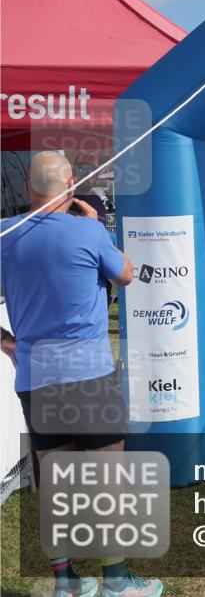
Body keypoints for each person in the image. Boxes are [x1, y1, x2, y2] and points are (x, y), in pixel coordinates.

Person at [1, 152, 163, 597]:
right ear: (70, 184)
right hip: (88, 374)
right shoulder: (88, 229)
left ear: (29, 188)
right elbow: (127, 275)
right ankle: (115, 581)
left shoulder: (4, 235)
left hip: (35, 376)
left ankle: (66, 582)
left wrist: (7, 342)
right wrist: (98, 226)